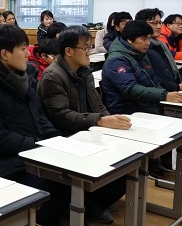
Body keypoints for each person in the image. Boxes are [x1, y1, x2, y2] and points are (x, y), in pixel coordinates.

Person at [0, 24, 69, 225]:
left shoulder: (24, 79)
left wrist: (56, 140)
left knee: (70, 181)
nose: (27, 55)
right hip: (7, 165)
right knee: (57, 188)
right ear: (5, 54)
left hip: (33, 155)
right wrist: (38, 144)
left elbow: (39, 116)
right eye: (22, 49)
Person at [38, 25, 131, 224]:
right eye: (86, 48)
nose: (90, 52)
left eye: (90, 47)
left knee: (130, 163)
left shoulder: (85, 72)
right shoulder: (53, 76)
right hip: (66, 136)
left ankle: (93, 200)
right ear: (68, 51)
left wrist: (111, 123)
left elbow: (97, 104)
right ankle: (90, 203)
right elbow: (61, 116)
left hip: (88, 130)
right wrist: (99, 120)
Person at [101, 20, 182, 116]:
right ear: (129, 39)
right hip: (128, 112)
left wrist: (167, 94)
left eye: (149, 39)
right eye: (144, 39)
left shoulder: (140, 54)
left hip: (147, 105)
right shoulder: (117, 60)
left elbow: (153, 81)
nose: (148, 43)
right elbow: (131, 89)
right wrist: (164, 95)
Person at [136, 8, 182, 92]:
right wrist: (176, 87)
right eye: (154, 23)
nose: (159, 26)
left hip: (171, 90)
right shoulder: (142, 48)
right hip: (159, 95)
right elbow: (149, 78)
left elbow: (169, 72)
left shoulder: (159, 44)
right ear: (141, 24)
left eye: (160, 22)